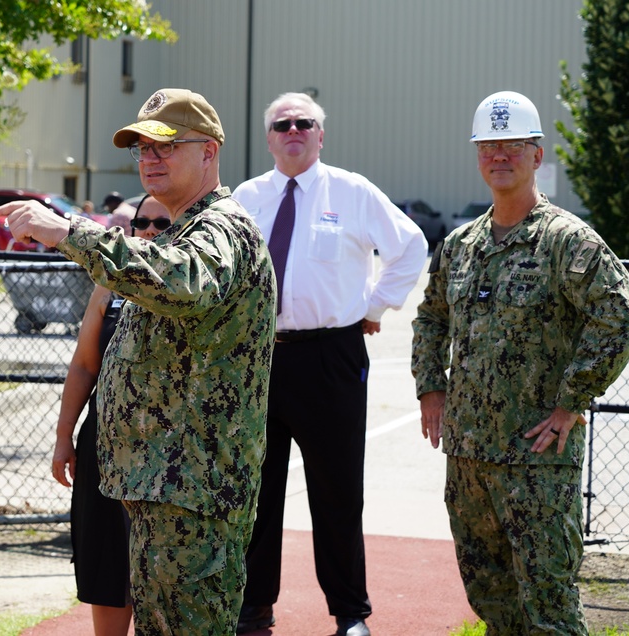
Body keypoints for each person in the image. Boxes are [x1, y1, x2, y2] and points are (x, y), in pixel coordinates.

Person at [0, 88, 276, 635]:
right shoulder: (187, 230)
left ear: (209, 152)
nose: (150, 157)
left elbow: (182, 281)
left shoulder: (224, 229)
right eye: (142, 148)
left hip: (192, 496)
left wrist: (66, 230)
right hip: (165, 491)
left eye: (165, 146)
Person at [411, 90, 629, 635]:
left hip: (536, 464)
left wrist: (572, 401)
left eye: (513, 145)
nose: (499, 156)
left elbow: (623, 315)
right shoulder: (462, 244)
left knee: (549, 611)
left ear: (537, 156)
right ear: (477, 156)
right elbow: (431, 317)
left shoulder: (566, 241)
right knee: (493, 604)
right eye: (489, 146)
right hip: (469, 458)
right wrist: (430, 387)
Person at [232, 91, 427, 636]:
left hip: (330, 358)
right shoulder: (245, 199)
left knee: (337, 492)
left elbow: (410, 247)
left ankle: (349, 614)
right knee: (258, 490)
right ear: (268, 137)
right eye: (282, 124)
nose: (293, 130)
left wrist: (371, 307)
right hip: (259, 359)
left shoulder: (353, 191)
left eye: (304, 123)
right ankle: (254, 606)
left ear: (321, 135)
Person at [52, 195, 171, 636]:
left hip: (169, 456)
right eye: (142, 221)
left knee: (164, 575)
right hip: (104, 447)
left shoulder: (192, 285)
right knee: (107, 566)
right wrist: (65, 438)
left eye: (164, 221)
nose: (151, 229)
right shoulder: (111, 284)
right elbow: (85, 365)